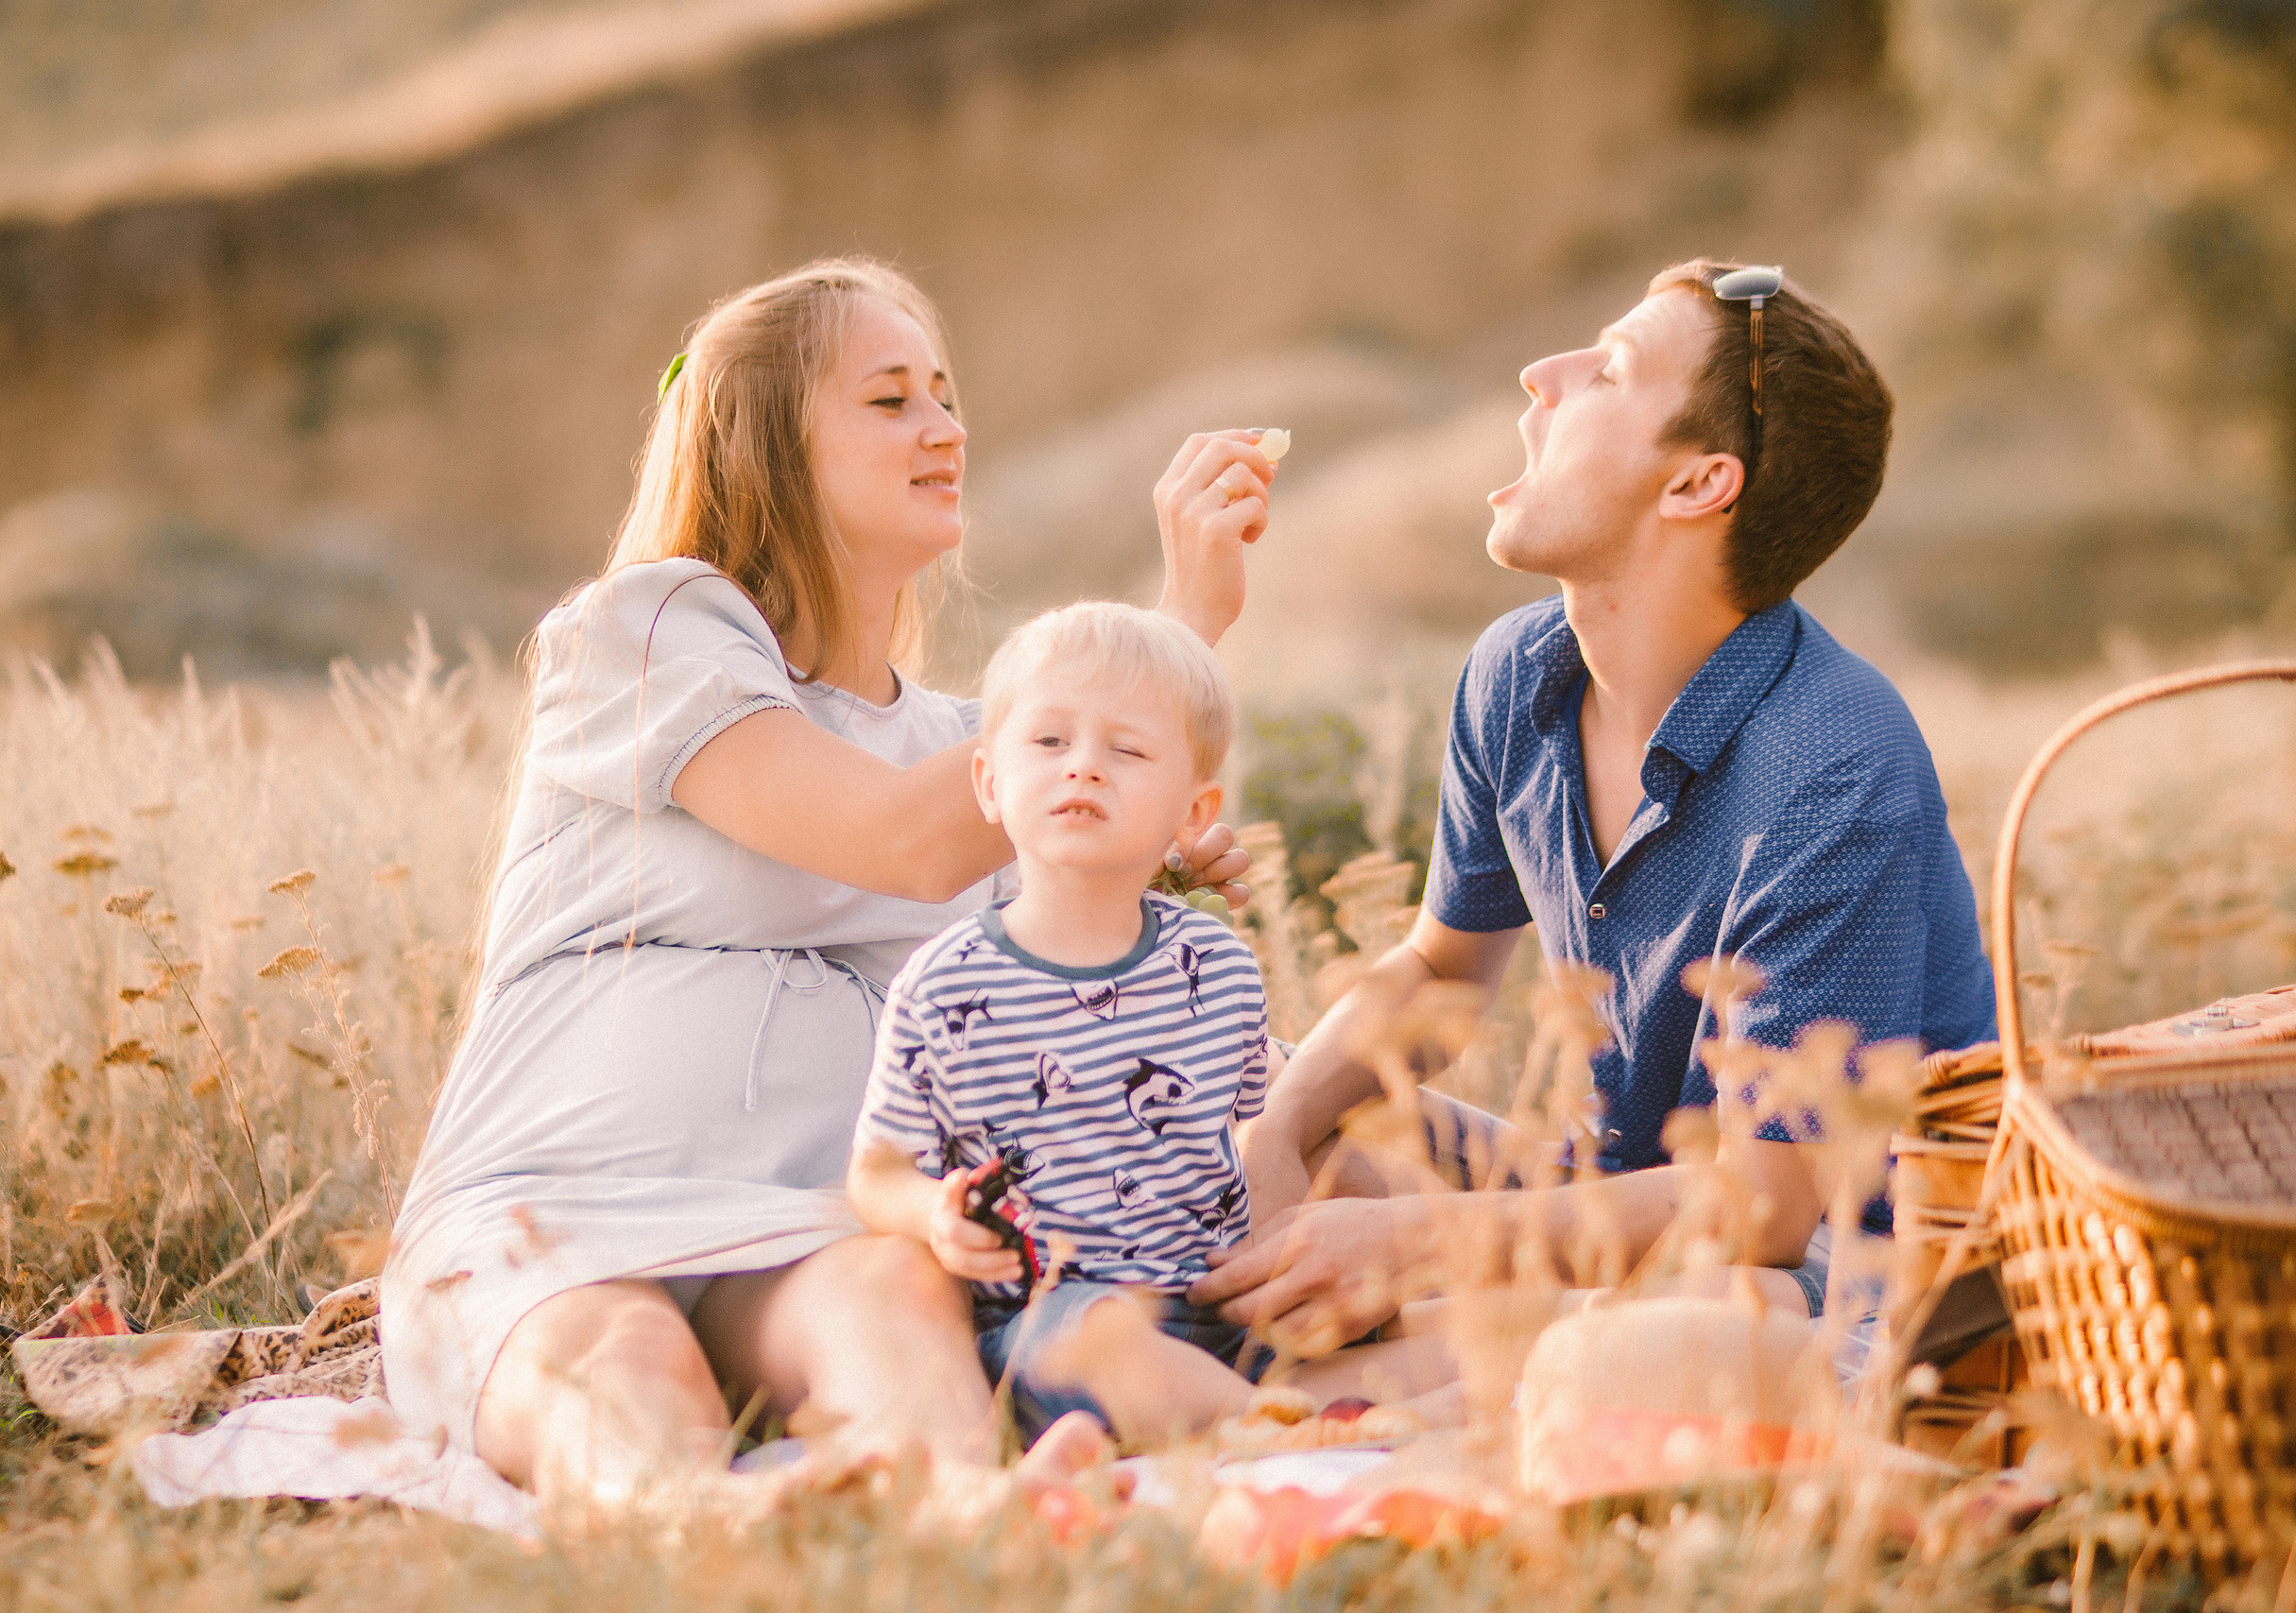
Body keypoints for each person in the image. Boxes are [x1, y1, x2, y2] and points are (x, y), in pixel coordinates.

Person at [380, 258, 1280, 1507]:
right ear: (772, 446)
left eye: (948, 396)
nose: (946, 427)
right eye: (892, 399)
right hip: (554, 1210)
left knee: (891, 1297)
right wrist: (1174, 629)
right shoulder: (646, 632)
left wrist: (1130, 869)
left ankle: (968, 1528)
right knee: (626, 1363)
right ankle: (708, 1536)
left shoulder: (972, 746)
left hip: (806, 1231)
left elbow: (1051, 1012)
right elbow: (896, 839)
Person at [1191, 260, 1995, 1370]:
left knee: (1664, 1340)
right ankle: (1373, 1376)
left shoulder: (1831, 762)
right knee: (1231, 1110)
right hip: (1605, 1202)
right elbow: (1439, 974)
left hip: (1829, 1276)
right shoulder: (1517, 674)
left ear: (1696, 486)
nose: (1541, 375)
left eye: (1607, 369)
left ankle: (1371, 1385)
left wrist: (1415, 1240)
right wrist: (1274, 1135)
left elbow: (1768, 1207)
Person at [848, 603, 1448, 1446]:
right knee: (1101, 1345)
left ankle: (1297, 1410)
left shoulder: (1219, 968)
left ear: (1193, 814)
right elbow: (875, 1174)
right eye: (1050, 743)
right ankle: (1283, 1427)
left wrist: (1292, 1273)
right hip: (1057, 1321)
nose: (1084, 768)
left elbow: (1252, 1144)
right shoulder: (945, 985)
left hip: (1214, 1300)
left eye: (1126, 750)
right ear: (990, 782)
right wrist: (934, 1213)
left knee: (1454, 1336)